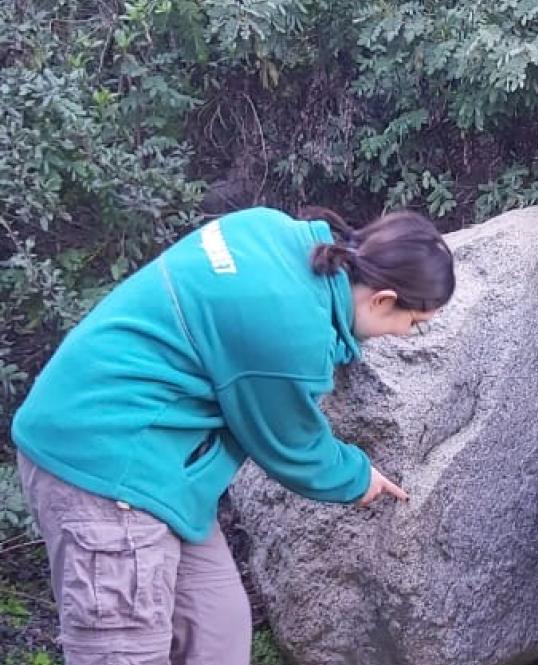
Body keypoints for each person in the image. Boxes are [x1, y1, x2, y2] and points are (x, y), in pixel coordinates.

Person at [10, 205, 455, 665]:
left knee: (217, 630)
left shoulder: (269, 231)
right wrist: (358, 478)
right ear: (382, 299)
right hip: (107, 466)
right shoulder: (286, 327)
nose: (406, 336)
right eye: (414, 323)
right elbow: (291, 445)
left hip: (165, 470)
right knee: (125, 652)